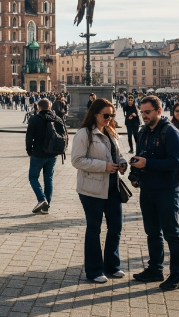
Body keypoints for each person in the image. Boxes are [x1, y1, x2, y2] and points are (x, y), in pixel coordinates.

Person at [128, 96, 179, 291]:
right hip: (148, 189)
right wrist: (135, 173)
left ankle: (178, 275)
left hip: (167, 190)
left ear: (159, 111)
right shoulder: (143, 131)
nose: (143, 116)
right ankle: (155, 269)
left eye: (147, 112)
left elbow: (174, 163)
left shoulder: (171, 132)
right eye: (142, 112)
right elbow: (141, 156)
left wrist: (148, 163)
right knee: (152, 232)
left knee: (172, 234)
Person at [71, 98, 127, 283]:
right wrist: (104, 166)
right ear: (94, 114)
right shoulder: (84, 133)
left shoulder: (111, 131)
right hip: (91, 188)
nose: (109, 118)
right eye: (106, 115)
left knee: (116, 226)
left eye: (112, 115)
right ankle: (95, 270)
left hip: (112, 186)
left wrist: (122, 163)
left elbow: (117, 154)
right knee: (94, 228)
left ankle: (112, 265)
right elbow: (77, 161)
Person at [25, 98, 65, 214]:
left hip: (38, 153)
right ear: (50, 107)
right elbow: (63, 136)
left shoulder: (34, 119)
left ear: (39, 108)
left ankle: (42, 199)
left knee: (33, 177)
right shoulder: (57, 119)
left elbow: (29, 137)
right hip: (53, 154)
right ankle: (46, 207)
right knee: (48, 179)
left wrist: (29, 152)